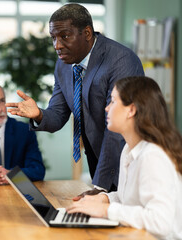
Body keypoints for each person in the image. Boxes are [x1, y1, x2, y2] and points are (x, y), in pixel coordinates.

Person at [6, 3, 144, 197]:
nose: (57, 46)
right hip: (96, 154)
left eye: (64, 36)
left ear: (87, 33)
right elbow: (58, 114)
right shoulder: (63, 65)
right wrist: (39, 114)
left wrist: (100, 188)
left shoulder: (120, 61)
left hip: (127, 159)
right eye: (53, 38)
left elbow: (117, 130)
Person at [66, 76, 182, 239]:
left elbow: (160, 221)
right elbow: (129, 198)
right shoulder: (130, 149)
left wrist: (107, 210)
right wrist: (105, 199)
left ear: (131, 110)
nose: (107, 108)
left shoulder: (153, 156)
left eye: (113, 101)